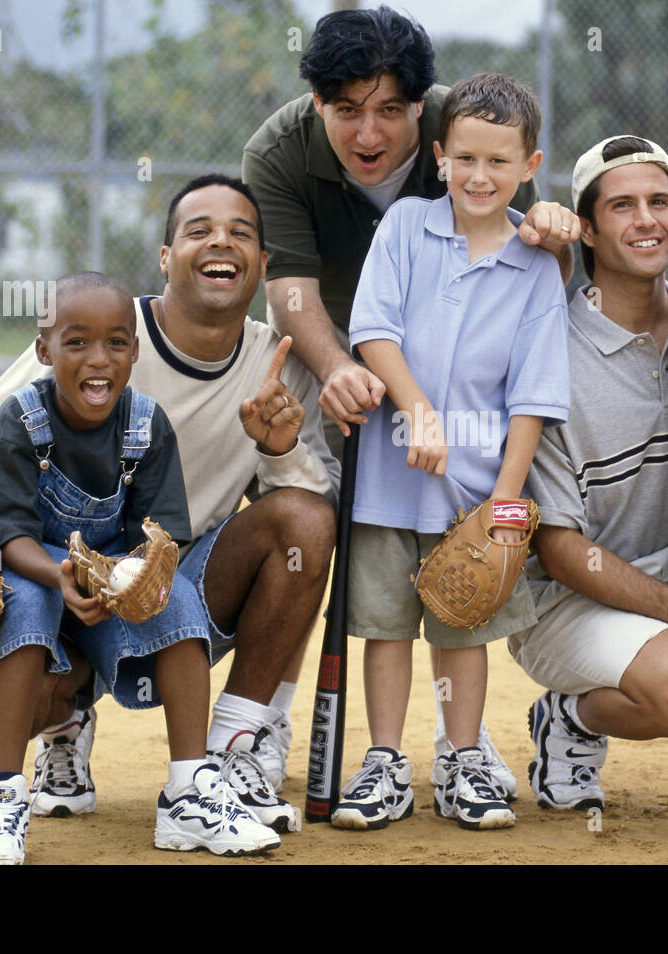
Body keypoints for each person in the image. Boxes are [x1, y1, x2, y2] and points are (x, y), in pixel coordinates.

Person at [0, 175, 338, 844]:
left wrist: (280, 451)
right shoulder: (104, 331)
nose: (221, 242)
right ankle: (61, 723)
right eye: (198, 229)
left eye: (241, 233)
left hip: (169, 567)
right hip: (57, 566)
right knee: (13, 699)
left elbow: (311, 500)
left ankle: (222, 758)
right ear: (167, 258)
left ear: (260, 265)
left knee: (305, 522)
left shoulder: (276, 360)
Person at [241, 5, 581, 795]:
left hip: (471, 427)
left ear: (421, 114)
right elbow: (294, 297)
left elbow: (528, 255)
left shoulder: (468, 124)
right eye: (347, 110)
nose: (368, 133)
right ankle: (274, 725)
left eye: (388, 109)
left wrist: (555, 230)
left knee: (462, 604)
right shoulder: (281, 150)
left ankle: (467, 750)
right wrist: (344, 372)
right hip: (332, 342)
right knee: (308, 533)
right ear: (318, 103)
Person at [0, 271, 281, 862]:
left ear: (135, 352)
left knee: (179, 598)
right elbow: (10, 534)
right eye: (76, 341)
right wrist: (61, 574)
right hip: (41, 568)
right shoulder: (20, 421)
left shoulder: (145, 424)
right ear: (43, 350)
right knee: (24, 603)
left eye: (116, 341)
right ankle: (2, 798)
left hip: (113, 574)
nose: (98, 359)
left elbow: (160, 537)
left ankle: (190, 793)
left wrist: (131, 577)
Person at [331, 73, 569, 832]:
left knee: (462, 632)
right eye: (464, 157)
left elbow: (532, 399)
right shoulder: (404, 225)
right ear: (438, 156)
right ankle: (386, 762)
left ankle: (464, 757)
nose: (479, 176)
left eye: (499, 163)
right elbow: (374, 330)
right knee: (387, 624)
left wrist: (504, 508)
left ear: (529, 166)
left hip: (474, 494)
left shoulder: (537, 266)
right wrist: (417, 410)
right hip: (387, 482)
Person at [508, 135, 668, 814]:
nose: (647, 219)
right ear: (588, 229)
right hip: (567, 603)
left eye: (660, 202)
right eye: (622, 206)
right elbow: (560, 551)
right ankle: (571, 719)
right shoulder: (551, 353)